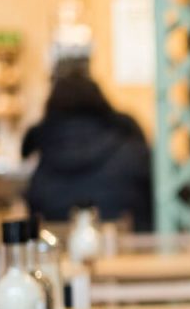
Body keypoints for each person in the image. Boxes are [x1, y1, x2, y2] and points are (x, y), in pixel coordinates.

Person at [22, 70, 153, 231]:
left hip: (62, 253)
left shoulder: (42, 154)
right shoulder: (130, 148)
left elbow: (34, 212)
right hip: (137, 253)